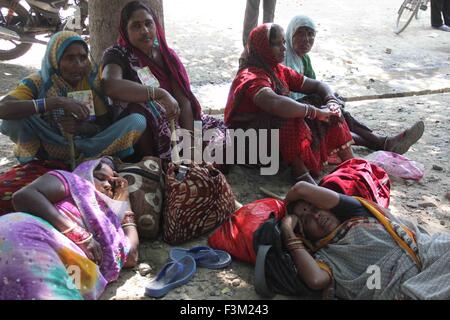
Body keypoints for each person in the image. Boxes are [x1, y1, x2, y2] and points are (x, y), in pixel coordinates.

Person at [225, 23, 354, 181]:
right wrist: (315, 112)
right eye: (277, 44)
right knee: (286, 115)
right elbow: (274, 103)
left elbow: (318, 85)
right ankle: (301, 175)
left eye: (284, 42)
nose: (284, 48)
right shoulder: (250, 75)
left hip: (269, 136)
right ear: (263, 47)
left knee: (321, 100)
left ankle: (351, 164)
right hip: (249, 144)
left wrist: (331, 101)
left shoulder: (277, 70)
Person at [102, 1, 226, 161]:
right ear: (125, 30)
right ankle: (154, 163)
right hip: (143, 133)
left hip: (176, 123)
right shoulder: (117, 54)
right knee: (142, 107)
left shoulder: (166, 55)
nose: (144, 31)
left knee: (221, 141)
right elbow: (110, 84)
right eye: (136, 26)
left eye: (148, 23)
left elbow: (184, 101)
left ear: (156, 25)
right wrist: (158, 94)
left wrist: (189, 144)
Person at [281, 181, 450, 299]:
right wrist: (289, 231)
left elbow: (301, 189)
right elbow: (316, 280)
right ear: (304, 234)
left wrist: (285, 207)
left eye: (315, 207)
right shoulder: (325, 257)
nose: (316, 215)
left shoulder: (357, 213)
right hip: (407, 287)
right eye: (305, 219)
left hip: (431, 255)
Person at [0, 157, 139, 300]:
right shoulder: (73, 182)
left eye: (112, 183)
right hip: (26, 234)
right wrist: (77, 234)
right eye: (101, 177)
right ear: (86, 173)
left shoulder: (110, 224)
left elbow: (131, 256)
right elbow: (24, 196)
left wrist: (124, 202)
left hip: (70, 264)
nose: (107, 185)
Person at [0, 31, 146, 165]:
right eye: (69, 58)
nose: (78, 65)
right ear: (55, 59)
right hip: (48, 144)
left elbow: (105, 124)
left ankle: (87, 159)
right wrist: (57, 102)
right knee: (13, 119)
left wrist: (81, 127)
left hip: (87, 146)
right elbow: (3, 108)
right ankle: (40, 160)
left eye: (83, 58)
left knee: (137, 121)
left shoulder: (90, 82)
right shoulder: (38, 82)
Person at [284, 15, 425, 154]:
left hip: (308, 109)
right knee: (331, 121)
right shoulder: (283, 61)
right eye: (301, 34)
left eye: (311, 34)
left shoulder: (304, 59)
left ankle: (383, 142)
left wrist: (331, 99)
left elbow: (315, 86)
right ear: (291, 34)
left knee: (335, 110)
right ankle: (382, 142)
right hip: (291, 116)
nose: (306, 39)